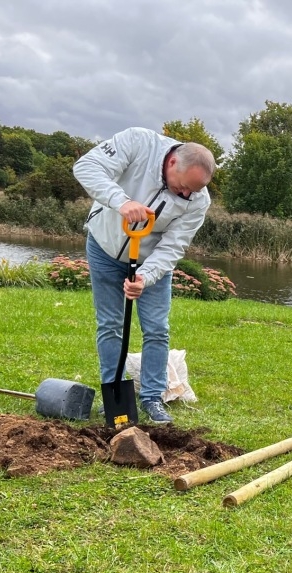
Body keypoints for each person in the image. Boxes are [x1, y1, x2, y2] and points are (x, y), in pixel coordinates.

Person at [73, 128, 215, 424]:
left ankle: (152, 397)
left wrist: (146, 277)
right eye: (184, 187)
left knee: (156, 329)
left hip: (152, 260)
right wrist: (121, 201)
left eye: (194, 191)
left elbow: (174, 245)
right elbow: (86, 166)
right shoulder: (138, 143)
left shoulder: (198, 200)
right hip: (105, 247)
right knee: (110, 324)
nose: (187, 195)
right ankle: (113, 394)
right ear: (173, 162)